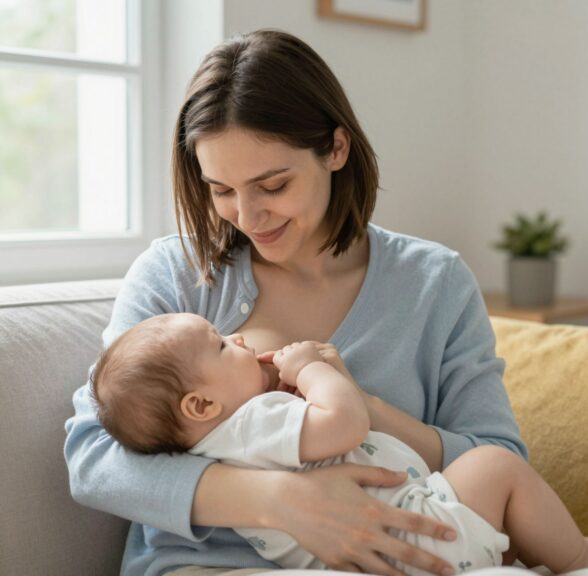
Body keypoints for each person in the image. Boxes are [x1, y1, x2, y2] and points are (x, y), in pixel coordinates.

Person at [64, 28, 521, 576]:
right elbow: (94, 457)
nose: (247, 216)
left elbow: (498, 458)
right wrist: (282, 502)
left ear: (336, 149)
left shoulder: (435, 283)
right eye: (221, 190)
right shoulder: (176, 274)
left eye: (273, 185)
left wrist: (364, 408)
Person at [89, 312, 588, 575]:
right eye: (219, 344)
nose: (236, 336)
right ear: (201, 406)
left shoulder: (214, 444)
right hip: (413, 528)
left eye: (273, 184)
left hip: (385, 550)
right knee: (495, 466)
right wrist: (313, 371)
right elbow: (345, 426)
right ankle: (584, 557)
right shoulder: (254, 421)